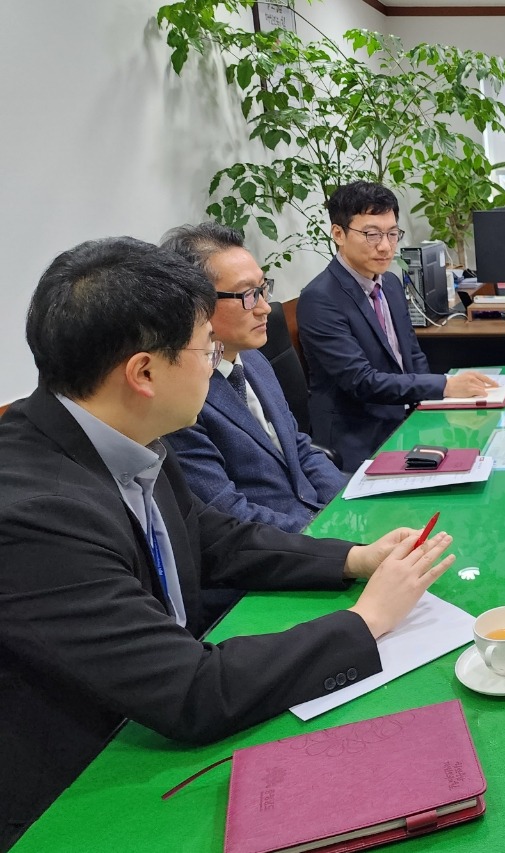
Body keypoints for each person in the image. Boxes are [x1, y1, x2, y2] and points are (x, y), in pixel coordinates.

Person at [0, 237, 457, 849]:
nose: (216, 359)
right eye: (204, 348)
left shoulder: (125, 430)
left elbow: (212, 538)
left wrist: (352, 558)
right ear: (144, 372)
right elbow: (191, 691)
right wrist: (364, 621)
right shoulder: (35, 515)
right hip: (79, 789)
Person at [296, 181, 496, 471]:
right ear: (338, 234)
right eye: (371, 234)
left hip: (404, 420)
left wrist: (431, 409)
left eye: (392, 233)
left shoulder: (389, 283)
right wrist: (444, 385)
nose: (385, 246)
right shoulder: (320, 299)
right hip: (359, 437)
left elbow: (412, 355)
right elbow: (361, 381)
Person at [162, 223, 347, 532]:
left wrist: (343, 505)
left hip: (318, 519)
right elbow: (229, 513)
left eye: (263, 289)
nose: (264, 308)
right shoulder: (181, 398)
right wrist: (321, 534)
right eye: (248, 295)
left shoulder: (253, 358)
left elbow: (299, 446)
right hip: (275, 550)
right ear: (194, 304)